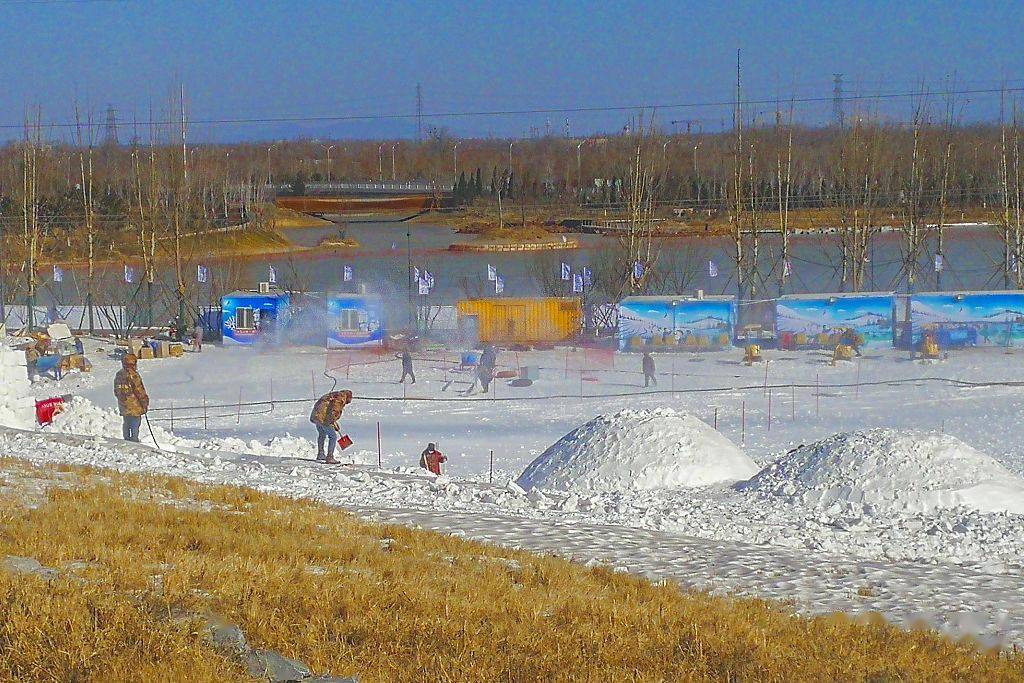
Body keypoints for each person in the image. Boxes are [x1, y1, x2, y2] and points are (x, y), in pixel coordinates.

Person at [309, 389, 353, 464]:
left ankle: (320, 454)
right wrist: (332, 421)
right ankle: (330, 457)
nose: (350, 401)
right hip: (323, 417)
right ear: (348, 396)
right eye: (351, 398)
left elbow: (329, 408)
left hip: (317, 415)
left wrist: (333, 422)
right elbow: (334, 410)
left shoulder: (335, 395)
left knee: (322, 434)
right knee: (333, 436)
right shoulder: (341, 398)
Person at [113, 354, 149, 443]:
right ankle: (134, 440)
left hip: (123, 404)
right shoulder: (133, 375)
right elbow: (139, 390)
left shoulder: (119, 374)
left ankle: (127, 439)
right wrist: (145, 402)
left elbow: (116, 391)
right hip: (134, 404)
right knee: (135, 422)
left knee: (126, 422)